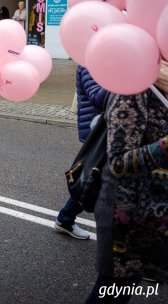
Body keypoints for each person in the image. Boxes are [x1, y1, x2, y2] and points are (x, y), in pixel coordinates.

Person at [84, 61, 168, 303]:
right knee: (113, 292)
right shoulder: (135, 85)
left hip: (158, 209)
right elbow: (119, 163)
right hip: (128, 214)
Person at [54, 65, 108, 240]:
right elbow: (97, 97)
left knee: (97, 178)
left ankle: (66, 218)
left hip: (105, 128)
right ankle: (65, 219)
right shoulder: (89, 64)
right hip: (96, 130)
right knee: (92, 179)